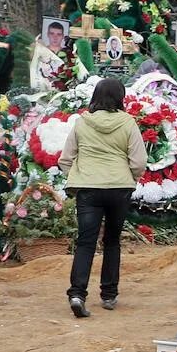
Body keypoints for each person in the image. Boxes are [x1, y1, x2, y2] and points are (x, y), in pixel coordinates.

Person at [58, 78, 147, 318]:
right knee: (112, 241)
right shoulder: (128, 123)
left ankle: (77, 294)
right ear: (120, 97)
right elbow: (138, 161)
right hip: (119, 188)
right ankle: (109, 294)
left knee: (85, 242)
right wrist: (131, 178)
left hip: (88, 189)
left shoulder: (81, 123)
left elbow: (65, 158)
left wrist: (77, 175)